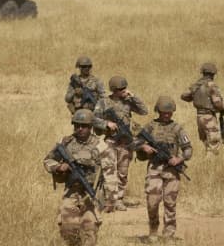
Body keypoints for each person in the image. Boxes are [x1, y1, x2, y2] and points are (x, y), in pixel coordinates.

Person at [44, 109, 105, 246]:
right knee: (68, 231)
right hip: (71, 193)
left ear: (91, 127)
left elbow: (110, 170)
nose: (80, 129)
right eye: (77, 125)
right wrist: (59, 167)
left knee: (90, 231)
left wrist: (111, 197)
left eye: (84, 126)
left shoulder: (100, 145)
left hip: (92, 194)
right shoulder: (66, 142)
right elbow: (48, 161)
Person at [136, 96, 192, 241]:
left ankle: (169, 233)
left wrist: (179, 159)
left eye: (169, 112)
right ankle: (153, 230)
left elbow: (188, 149)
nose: (166, 115)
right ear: (158, 111)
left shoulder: (177, 128)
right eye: (163, 112)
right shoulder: (150, 127)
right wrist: (144, 146)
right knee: (152, 202)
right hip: (154, 169)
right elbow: (135, 141)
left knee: (170, 203)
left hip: (172, 171)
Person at [94, 75, 148, 212]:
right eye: (120, 89)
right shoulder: (103, 102)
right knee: (109, 171)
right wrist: (106, 123)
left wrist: (133, 97)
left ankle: (119, 200)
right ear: (113, 90)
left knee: (123, 173)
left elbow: (144, 111)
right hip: (111, 141)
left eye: (124, 88)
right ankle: (109, 200)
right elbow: (93, 119)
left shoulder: (128, 102)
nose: (123, 91)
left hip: (125, 142)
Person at [180, 62, 224, 155]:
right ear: (213, 74)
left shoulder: (196, 85)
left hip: (199, 117)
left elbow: (184, 96)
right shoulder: (211, 85)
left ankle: (206, 163)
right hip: (209, 117)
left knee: (206, 142)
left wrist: (194, 97)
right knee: (213, 145)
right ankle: (211, 165)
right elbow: (218, 103)